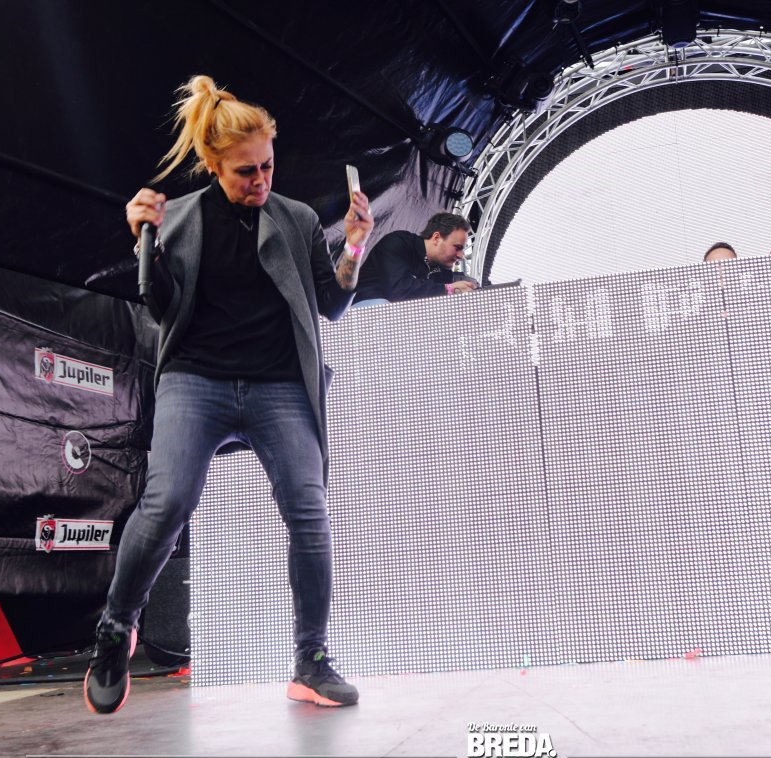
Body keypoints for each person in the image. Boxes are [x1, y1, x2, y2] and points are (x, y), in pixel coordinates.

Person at [83, 75, 372, 714]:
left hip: (279, 384)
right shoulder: (180, 218)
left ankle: (311, 661)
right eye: (245, 171)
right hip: (198, 378)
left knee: (309, 511)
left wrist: (354, 242)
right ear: (214, 166)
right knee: (167, 502)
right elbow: (160, 307)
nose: (260, 179)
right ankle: (116, 627)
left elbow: (333, 305)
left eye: (267, 165)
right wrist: (144, 241)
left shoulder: (297, 220)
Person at [352, 212, 479, 304]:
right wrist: (448, 289)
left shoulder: (444, 272)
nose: (461, 256)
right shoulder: (398, 242)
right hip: (363, 313)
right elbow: (399, 290)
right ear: (436, 238)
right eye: (457, 247)